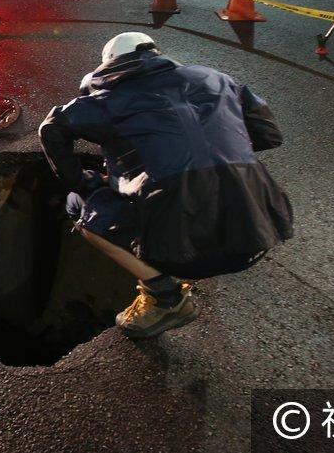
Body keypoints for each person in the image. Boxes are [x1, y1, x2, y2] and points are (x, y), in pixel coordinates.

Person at [39, 32, 293, 338]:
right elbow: (269, 135)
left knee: (79, 203)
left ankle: (166, 297)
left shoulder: (107, 98)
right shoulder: (217, 79)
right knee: (210, 183)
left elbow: (50, 128)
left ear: (110, 65)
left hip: (186, 256)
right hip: (258, 234)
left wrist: (81, 180)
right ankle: (212, 235)